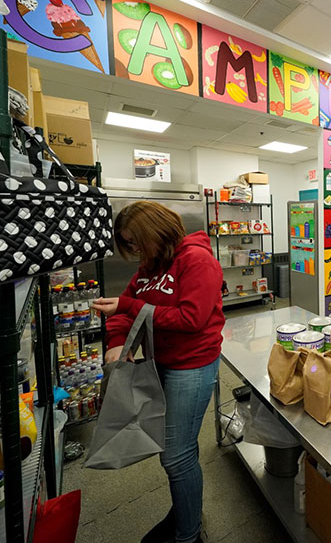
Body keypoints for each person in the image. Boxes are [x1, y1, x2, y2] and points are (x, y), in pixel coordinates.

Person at [92, 201, 225, 543]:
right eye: (127, 244)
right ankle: (186, 512)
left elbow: (190, 319)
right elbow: (122, 313)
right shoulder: (149, 266)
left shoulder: (198, 261)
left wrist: (130, 306)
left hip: (192, 366)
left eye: (135, 241)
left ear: (155, 233)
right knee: (181, 451)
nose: (134, 250)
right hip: (160, 363)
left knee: (175, 455)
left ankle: (189, 535)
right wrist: (116, 342)